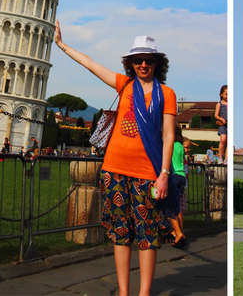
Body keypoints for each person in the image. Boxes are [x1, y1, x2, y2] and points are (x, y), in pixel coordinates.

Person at [55, 22, 176, 296]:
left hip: (148, 172)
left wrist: (164, 173)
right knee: (120, 234)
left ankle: (144, 293)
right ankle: (123, 292)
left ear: (157, 63)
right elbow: (90, 64)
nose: (143, 64)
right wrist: (62, 46)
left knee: (147, 236)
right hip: (114, 169)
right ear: (130, 63)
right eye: (138, 60)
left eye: (148, 60)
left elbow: (168, 136)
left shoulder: (166, 94)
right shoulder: (124, 86)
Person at [167, 126, 187, 248]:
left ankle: (177, 233)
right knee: (178, 207)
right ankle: (179, 232)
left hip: (173, 176)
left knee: (168, 207)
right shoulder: (180, 146)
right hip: (182, 176)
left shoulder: (170, 144)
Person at [214, 85, 228, 164]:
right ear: (221, 94)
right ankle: (220, 157)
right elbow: (215, 115)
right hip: (223, 124)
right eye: (226, 94)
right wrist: (221, 119)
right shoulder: (219, 104)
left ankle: (226, 159)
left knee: (228, 142)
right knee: (223, 139)